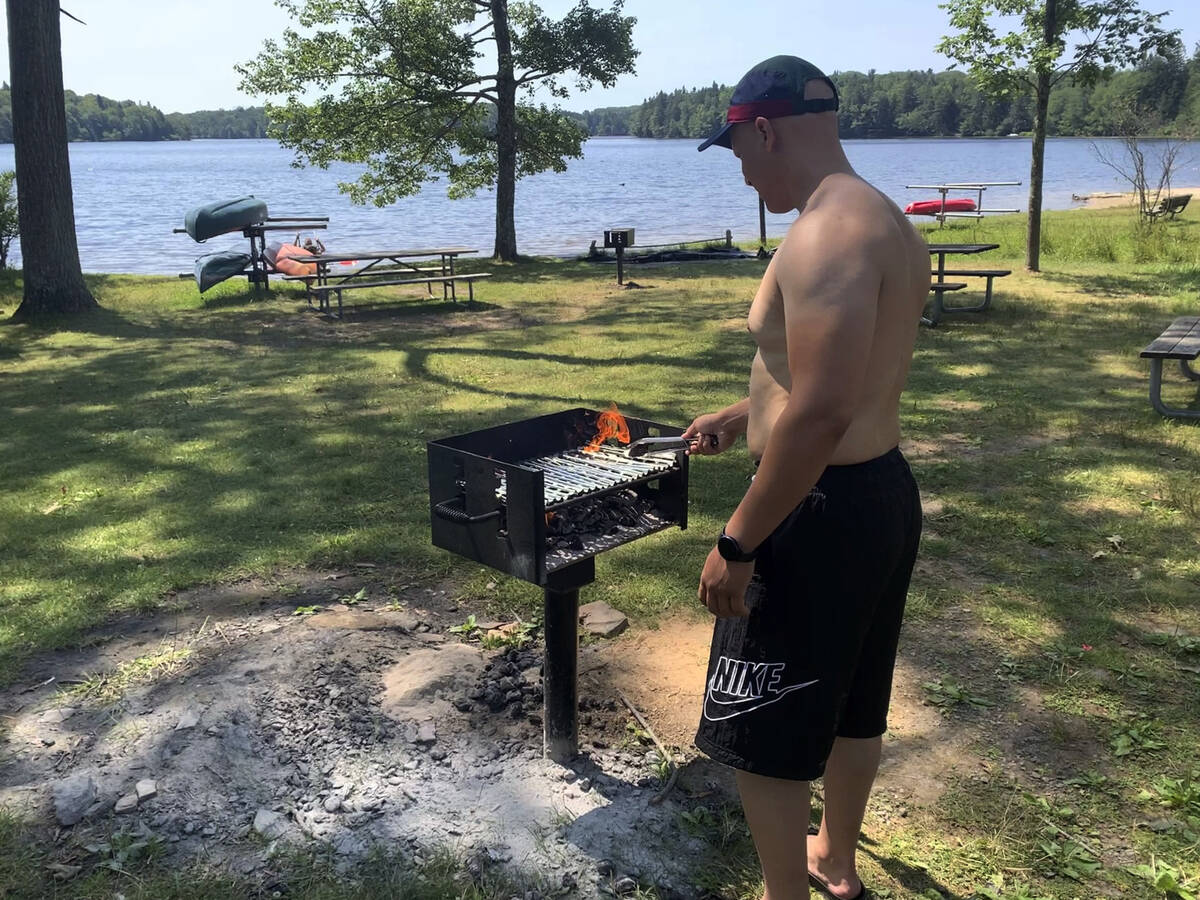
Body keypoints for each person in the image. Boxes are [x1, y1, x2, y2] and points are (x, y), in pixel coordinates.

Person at [683, 55, 928, 900]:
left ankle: (786, 891)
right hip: (881, 494)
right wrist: (739, 415)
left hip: (816, 511)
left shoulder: (823, 233)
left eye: (741, 154)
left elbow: (820, 416)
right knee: (857, 697)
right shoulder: (884, 219)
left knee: (764, 721)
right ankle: (836, 859)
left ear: (764, 129)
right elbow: (832, 381)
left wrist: (737, 539)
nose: (745, 173)